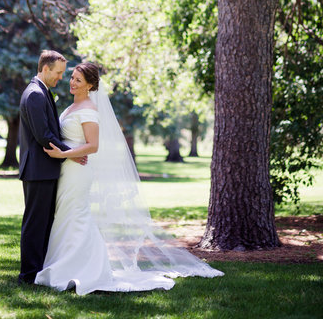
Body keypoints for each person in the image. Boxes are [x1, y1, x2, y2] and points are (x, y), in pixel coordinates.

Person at [35, 62, 223, 294]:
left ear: (91, 85)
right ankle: (64, 264)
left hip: (78, 171)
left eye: (78, 80)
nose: (72, 83)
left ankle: (84, 269)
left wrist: (64, 154)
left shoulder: (89, 110)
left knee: (76, 215)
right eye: (72, 77)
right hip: (67, 170)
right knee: (65, 214)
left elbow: (92, 146)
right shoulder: (71, 107)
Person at [18, 50, 86, 285]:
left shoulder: (41, 91)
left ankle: (37, 271)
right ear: (45, 69)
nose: (60, 78)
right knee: (35, 223)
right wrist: (70, 153)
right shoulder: (36, 94)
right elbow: (44, 135)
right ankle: (28, 275)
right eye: (58, 73)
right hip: (38, 170)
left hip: (43, 169)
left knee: (43, 222)